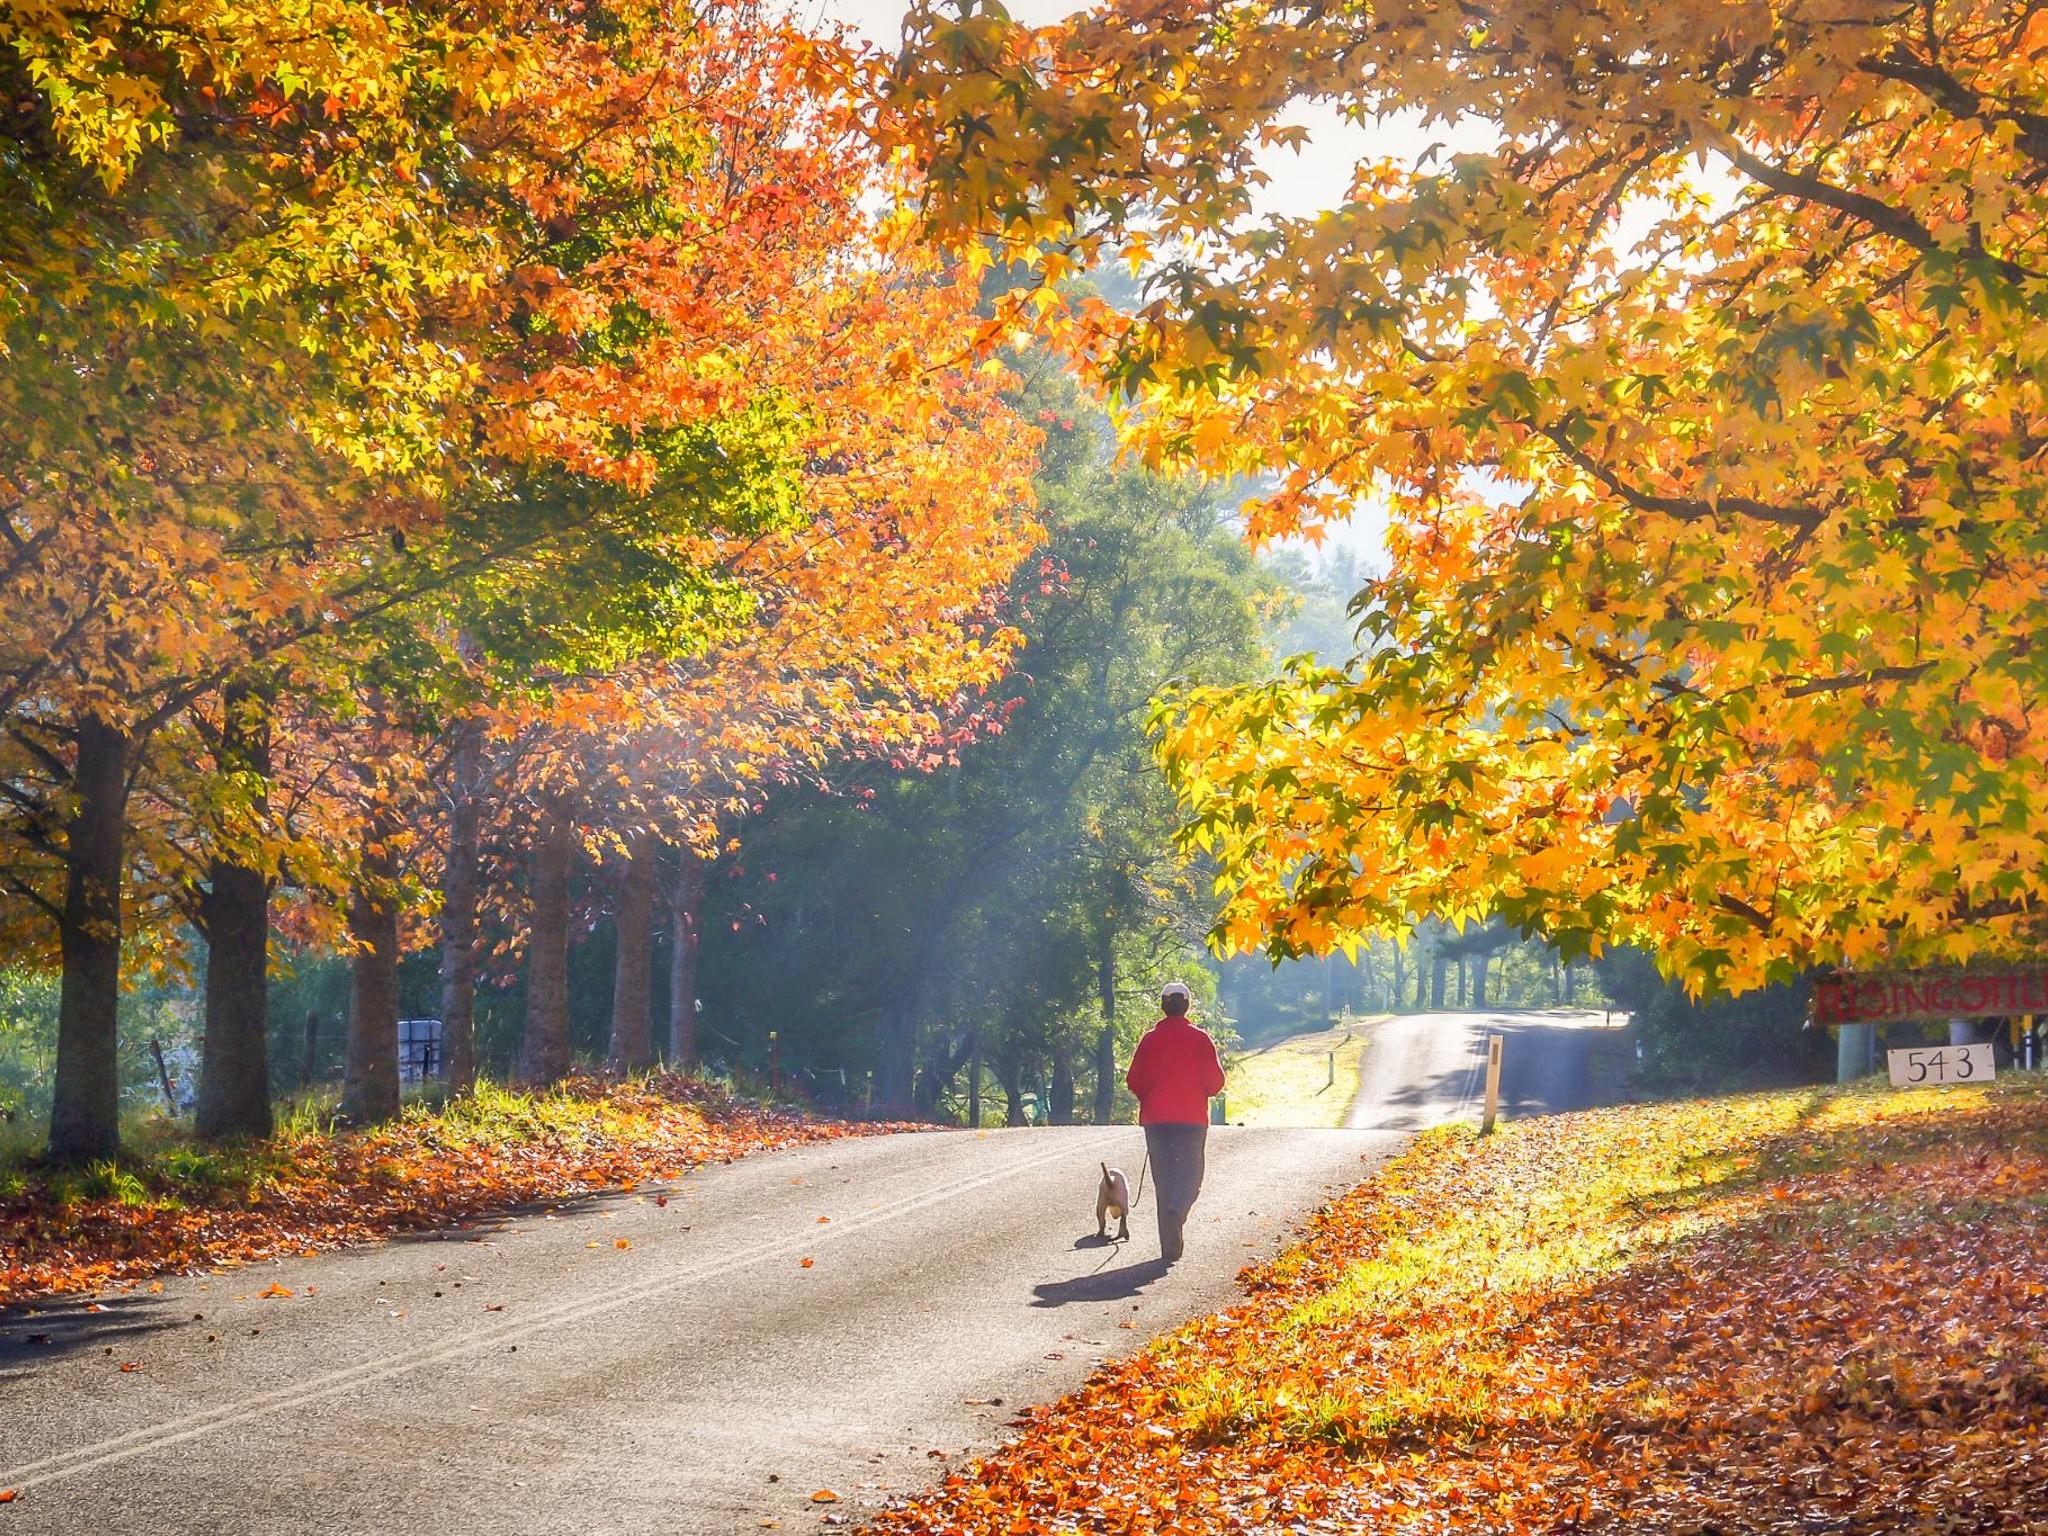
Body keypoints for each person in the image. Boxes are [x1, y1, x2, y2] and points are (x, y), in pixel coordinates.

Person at [1124, 981, 1226, 1262]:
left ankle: (1169, 1250)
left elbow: (1134, 1080)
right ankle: (1178, 1210)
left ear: (1163, 1006)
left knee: (1164, 1179)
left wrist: (1149, 1096)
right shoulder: (1200, 1039)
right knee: (1191, 1176)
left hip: (1157, 1121)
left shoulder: (1149, 1040)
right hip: (1191, 1119)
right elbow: (1216, 1082)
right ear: (1187, 1006)